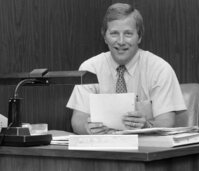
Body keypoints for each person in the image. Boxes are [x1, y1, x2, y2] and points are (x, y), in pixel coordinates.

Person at [66, 3, 186, 135]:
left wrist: (146, 125)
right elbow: (78, 120)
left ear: (139, 37)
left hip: (145, 148)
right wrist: (86, 128)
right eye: (114, 34)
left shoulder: (160, 69)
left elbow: (167, 121)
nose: (121, 41)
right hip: (102, 149)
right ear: (105, 36)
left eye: (128, 34)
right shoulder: (89, 68)